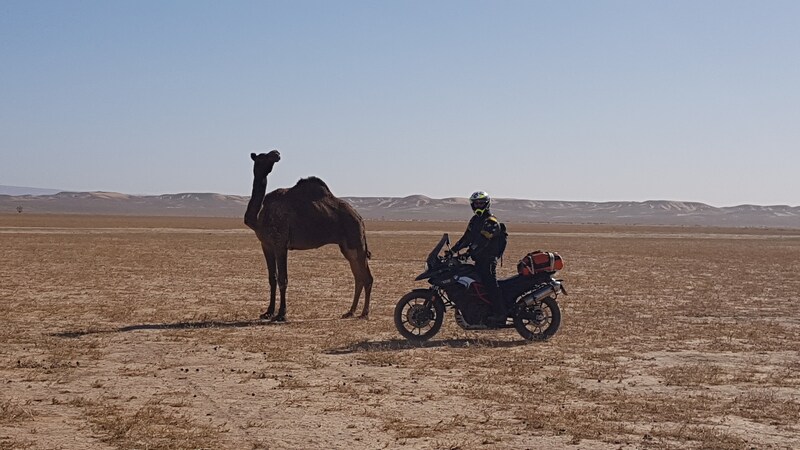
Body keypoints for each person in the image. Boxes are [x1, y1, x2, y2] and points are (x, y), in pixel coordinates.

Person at [450, 191, 507, 326]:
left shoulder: (491, 222)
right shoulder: (475, 220)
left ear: (487, 204)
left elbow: (483, 241)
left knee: (490, 284)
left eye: (481, 203)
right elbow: (466, 238)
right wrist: (453, 250)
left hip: (488, 260)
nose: (478, 205)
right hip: (478, 259)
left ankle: (500, 313)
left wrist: (469, 252)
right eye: (476, 203)